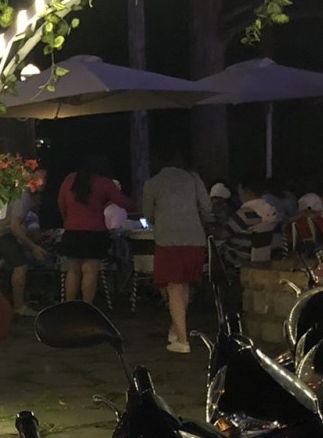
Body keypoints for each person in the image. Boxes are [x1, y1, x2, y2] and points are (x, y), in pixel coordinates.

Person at [141, 150, 210, 354]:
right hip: (195, 238)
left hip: (168, 240)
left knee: (174, 288)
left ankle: (182, 339)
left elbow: (147, 213)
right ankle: (175, 329)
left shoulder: (152, 183)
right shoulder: (194, 179)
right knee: (184, 286)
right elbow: (206, 207)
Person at [57, 155, 134, 304]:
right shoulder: (104, 182)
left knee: (73, 271)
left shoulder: (70, 179)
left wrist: (68, 220)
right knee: (90, 272)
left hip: (72, 231)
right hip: (94, 233)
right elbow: (124, 203)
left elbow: (61, 203)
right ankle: (87, 307)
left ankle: (69, 306)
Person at [0, 167, 49, 317]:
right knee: (21, 266)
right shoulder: (23, 196)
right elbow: (14, 226)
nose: (43, 182)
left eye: (45, 178)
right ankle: (19, 306)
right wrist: (33, 246)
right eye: (40, 178)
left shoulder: (19, 192)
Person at [216, 176, 280, 271]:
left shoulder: (244, 214)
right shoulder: (272, 211)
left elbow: (222, 234)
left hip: (243, 261)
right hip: (268, 259)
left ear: (245, 190)